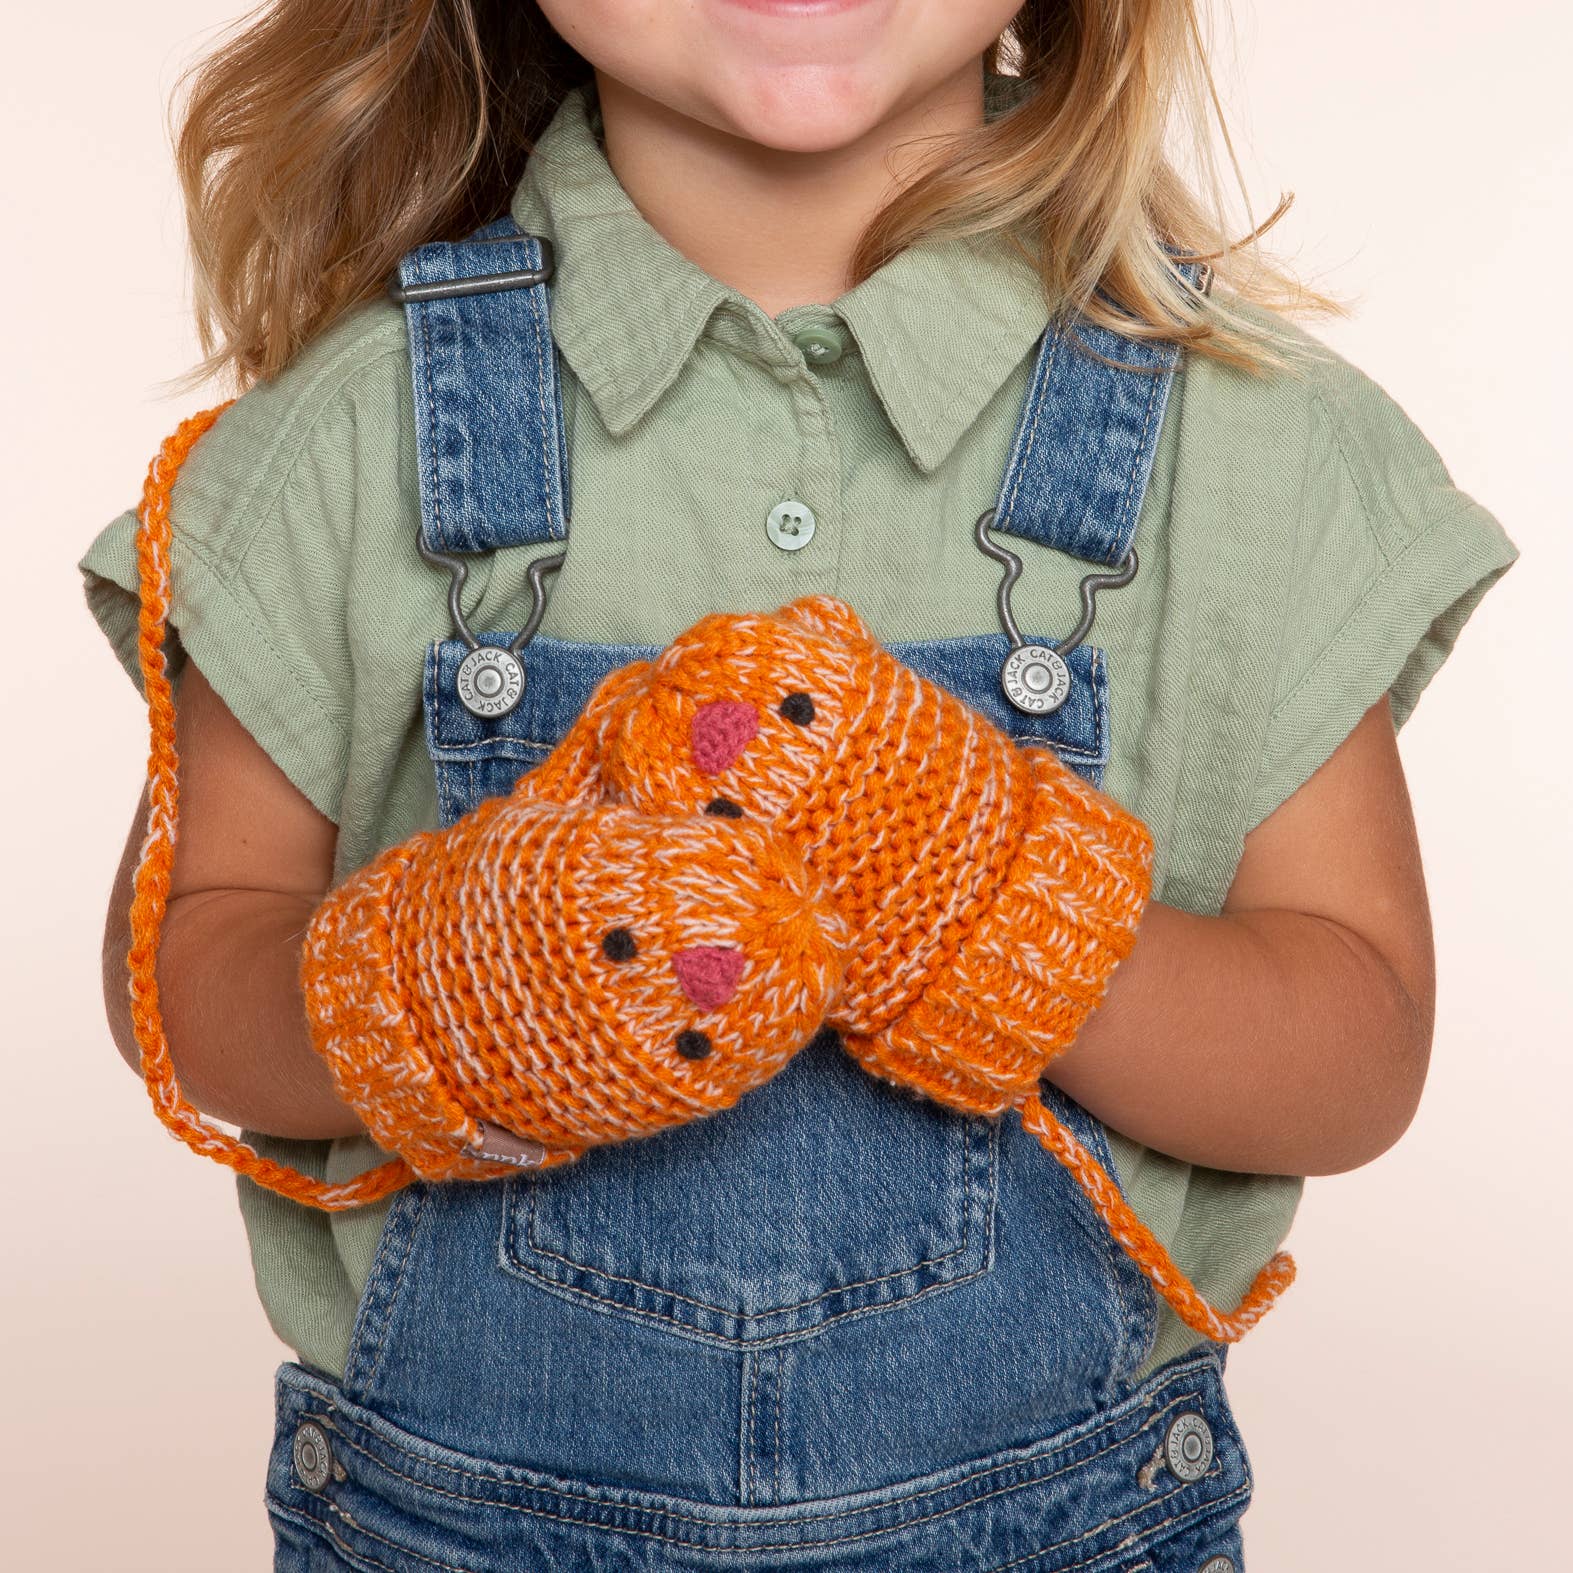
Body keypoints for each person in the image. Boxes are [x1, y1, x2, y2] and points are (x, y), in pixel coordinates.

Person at [79, 2, 1519, 1567]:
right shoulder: (354, 443)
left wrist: (990, 911)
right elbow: (181, 963)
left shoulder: (1252, 452)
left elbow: (1359, 1043)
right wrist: (444, 990)